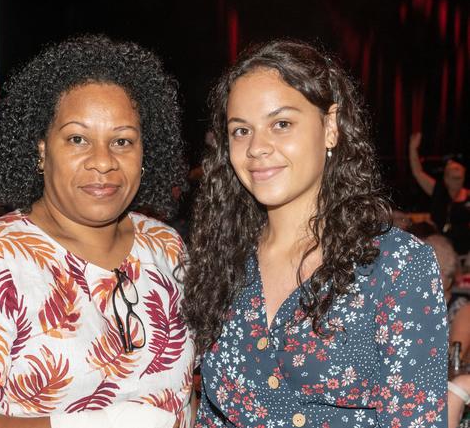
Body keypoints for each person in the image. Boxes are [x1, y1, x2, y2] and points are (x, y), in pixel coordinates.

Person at [0, 35, 195, 428]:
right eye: (78, 139)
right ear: (41, 151)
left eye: (122, 141)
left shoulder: (166, 247)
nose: (103, 161)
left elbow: (184, 390)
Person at [183, 40, 448, 427]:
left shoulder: (396, 266)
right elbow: (212, 412)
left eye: (281, 124)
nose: (257, 147)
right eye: (241, 131)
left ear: (330, 127)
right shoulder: (222, 260)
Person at [409, 132, 470, 254]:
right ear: (445, 176)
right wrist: (412, 148)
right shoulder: (437, 190)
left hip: (464, 251)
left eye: (458, 166)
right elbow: (418, 172)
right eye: (452, 167)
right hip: (439, 248)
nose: (454, 166)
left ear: (464, 173)